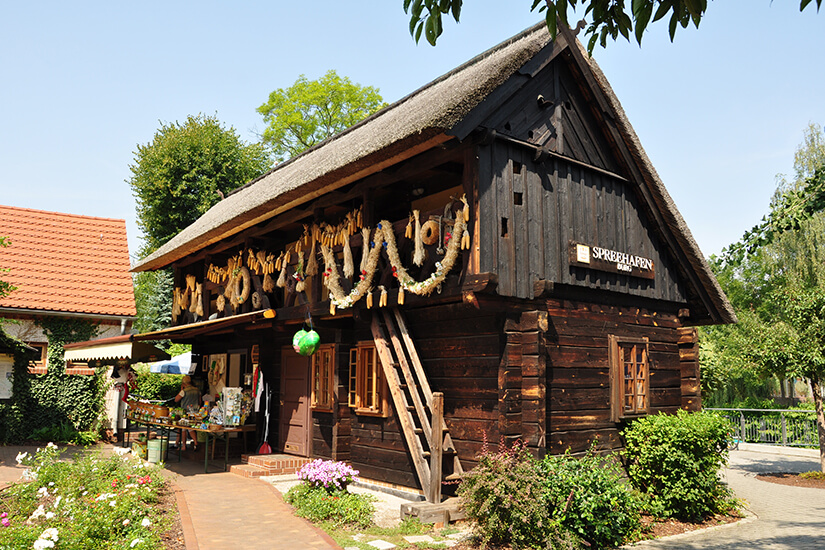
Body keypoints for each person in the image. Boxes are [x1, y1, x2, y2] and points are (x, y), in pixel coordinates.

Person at [175, 376, 201, 450]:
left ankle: (184, 446)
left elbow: (176, 399)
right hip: (195, 412)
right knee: (190, 428)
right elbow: (200, 401)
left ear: (183, 383)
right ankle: (195, 443)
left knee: (184, 429)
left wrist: (181, 390)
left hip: (186, 412)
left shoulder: (184, 391)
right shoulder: (197, 390)